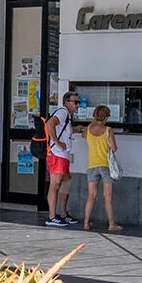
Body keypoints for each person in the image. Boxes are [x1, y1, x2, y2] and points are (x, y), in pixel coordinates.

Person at [82, 105, 123, 232]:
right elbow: (114, 148)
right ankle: (111, 224)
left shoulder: (88, 130)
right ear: (105, 117)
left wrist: (93, 123)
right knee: (108, 196)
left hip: (92, 166)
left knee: (91, 196)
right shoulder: (108, 130)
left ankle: (86, 223)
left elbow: (84, 135)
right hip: (105, 166)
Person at [43, 92, 80, 227]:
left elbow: (63, 130)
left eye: (78, 102)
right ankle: (52, 216)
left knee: (66, 182)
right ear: (66, 102)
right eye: (75, 102)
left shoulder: (66, 116)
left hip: (62, 155)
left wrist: (76, 129)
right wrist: (57, 142)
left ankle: (63, 214)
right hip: (57, 154)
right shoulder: (63, 112)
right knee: (55, 184)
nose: (77, 105)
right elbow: (49, 124)